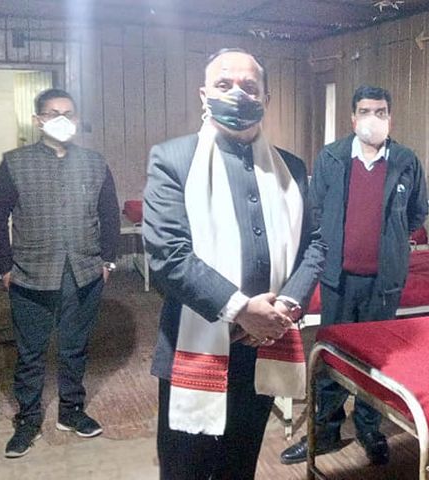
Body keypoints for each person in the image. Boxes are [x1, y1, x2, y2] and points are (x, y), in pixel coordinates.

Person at [143, 48, 324, 479]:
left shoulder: (291, 167)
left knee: (240, 465)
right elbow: (168, 255)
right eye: (224, 85)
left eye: (249, 87)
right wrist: (242, 309)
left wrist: (285, 308)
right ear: (203, 94)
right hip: (194, 344)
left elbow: (316, 243)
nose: (237, 94)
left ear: (265, 98)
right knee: (184, 469)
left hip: (263, 344)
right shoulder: (174, 159)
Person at [280, 85, 429, 466]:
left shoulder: (406, 161)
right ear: (352, 118)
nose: (372, 119)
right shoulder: (331, 157)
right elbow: (315, 210)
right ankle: (325, 432)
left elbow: (417, 213)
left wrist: (392, 241)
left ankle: (368, 428)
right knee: (332, 357)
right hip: (339, 280)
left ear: (390, 117)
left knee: (377, 361)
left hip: (384, 283)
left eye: (381, 112)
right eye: (365, 111)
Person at [0, 88, 120, 458]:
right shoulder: (15, 163)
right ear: (38, 120)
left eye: (68, 113)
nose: (62, 119)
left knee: (75, 347)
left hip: (84, 271)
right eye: (53, 113)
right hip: (30, 273)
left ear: (76, 120)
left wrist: (107, 261)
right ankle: (28, 420)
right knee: (31, 353)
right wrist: (5, 266)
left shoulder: (94, 163)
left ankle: (71, 411)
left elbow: (109, 214)